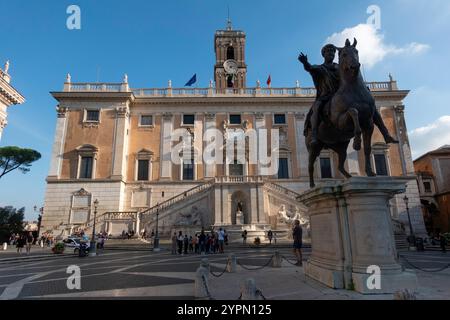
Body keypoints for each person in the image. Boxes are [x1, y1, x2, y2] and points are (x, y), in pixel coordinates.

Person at [299, 44, 339, 146]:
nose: (330, 54)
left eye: (332, 52)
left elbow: (350, 78)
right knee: (316, 108)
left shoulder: (339, 68)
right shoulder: (320, 68)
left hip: (339, 94)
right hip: (325, 96)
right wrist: (305, 62)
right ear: (324, 55)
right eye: (328, 52)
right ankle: (314, 134)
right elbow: (310, 68)